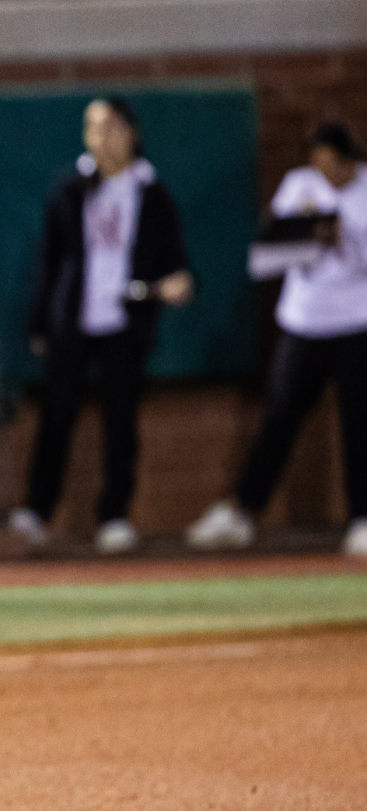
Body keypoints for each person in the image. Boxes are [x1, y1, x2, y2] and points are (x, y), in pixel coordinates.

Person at [10, 96, 194, 554]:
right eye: (90, 127)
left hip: (123, 324)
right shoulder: (71, 189)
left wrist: (171, 284)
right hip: (73, 322)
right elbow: (48, 260)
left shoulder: (152, 193)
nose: (98, 137)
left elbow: (175, 263)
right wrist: (41, 323)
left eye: (108, 126)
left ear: (130, 132)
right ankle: (37, 509)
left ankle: (114, 515)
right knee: (56, 417)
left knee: (120, 421)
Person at [186, 121, 367, 558]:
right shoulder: (298, 185)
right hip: (303, 321)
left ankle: (363, 517)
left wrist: (348, 238)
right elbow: (272, 250)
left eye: (331, 164)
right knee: (279, 417)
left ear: (348, 162)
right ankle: (242, 511)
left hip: (357, 321)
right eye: (316, 162)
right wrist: (308, 235)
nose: (323, 172)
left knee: (359, 422)